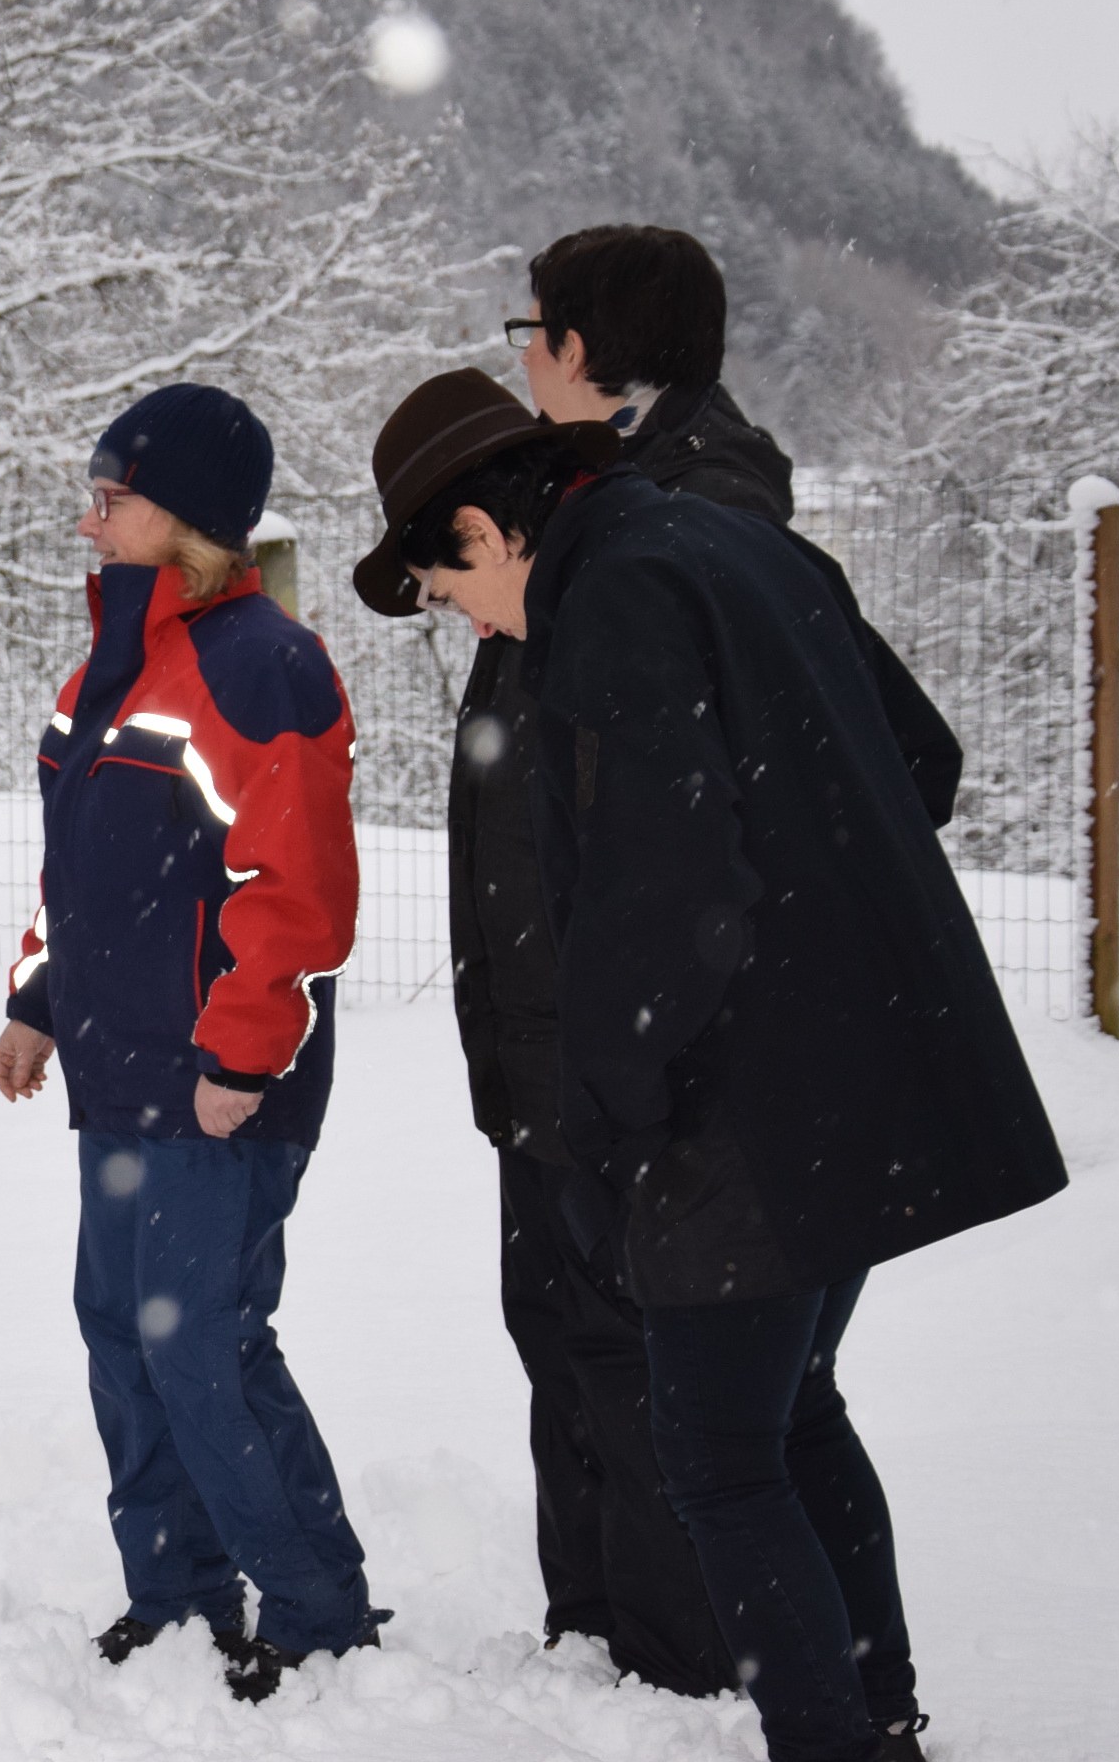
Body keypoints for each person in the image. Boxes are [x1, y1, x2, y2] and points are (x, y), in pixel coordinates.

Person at [361, 372, 1071, 1762]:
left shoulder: (613, 599)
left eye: (451, 592)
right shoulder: (741, 544)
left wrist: (610, 1121)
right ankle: (877, 1718)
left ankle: (833, 1739)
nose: (471, 624)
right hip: (858, 1067)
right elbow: (921, 759)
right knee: (791, 1413)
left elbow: (662, 893)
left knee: (718, 1461)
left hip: (738, 1101)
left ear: (485, 531)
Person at [364, 226, 785, 1699]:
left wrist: (624, 1041)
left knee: (647, 1348)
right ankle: (597, 1628)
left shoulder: (681, 513)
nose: (522, 352)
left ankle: (675, 1662)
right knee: (564, 1328)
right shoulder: (574, 503)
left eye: (532, 328)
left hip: (628, 1035)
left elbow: (675, 826)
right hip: (548, 1023)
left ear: (589, 352)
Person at [0, 385, 380, 1704]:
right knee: (121, 1326)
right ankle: (176, 1597)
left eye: (113, 496)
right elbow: (77, 874)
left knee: (202, 1342)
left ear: (192, 519)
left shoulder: (265, 665)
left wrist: (244, 1057)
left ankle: (319, 1614)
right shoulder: (105, 667)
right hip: (117, 1070)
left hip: (221, 1084)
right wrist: (37, 1001)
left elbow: (297, 891)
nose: (87, 516)